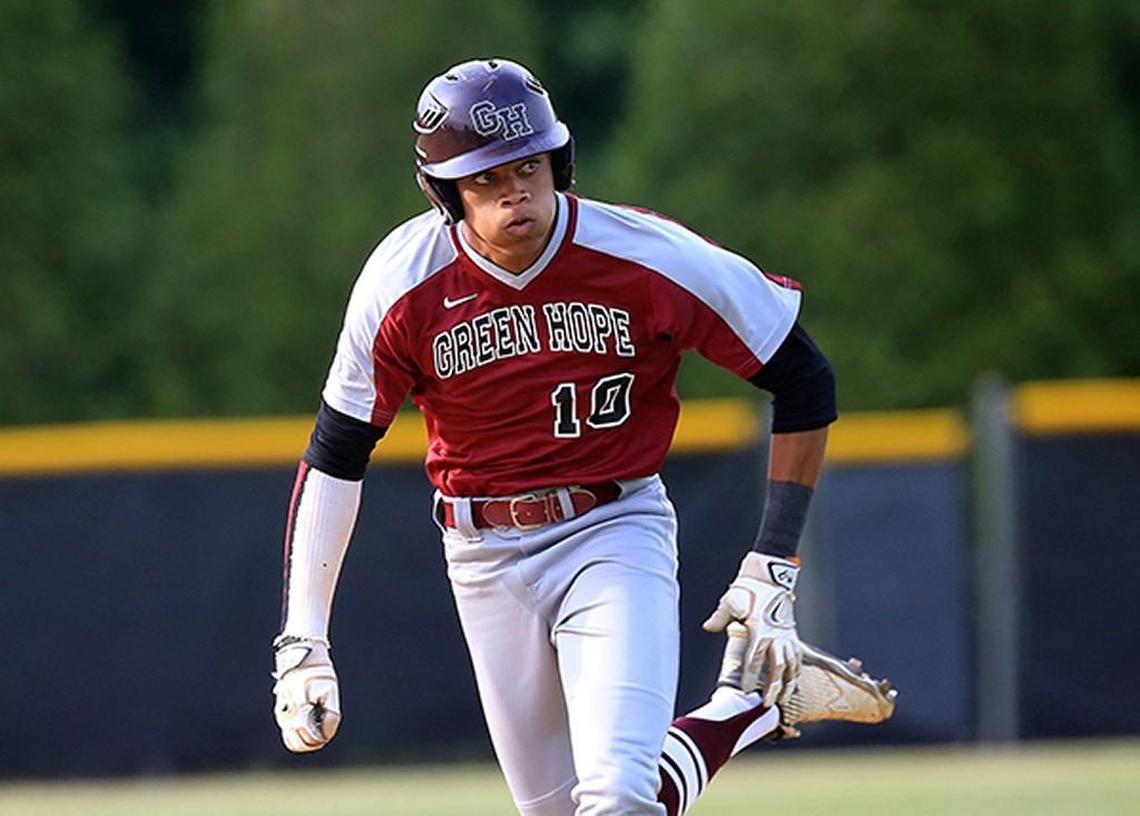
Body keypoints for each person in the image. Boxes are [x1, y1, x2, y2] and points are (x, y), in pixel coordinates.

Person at [272, 58, 895, 816]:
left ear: (558, 160)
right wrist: (303, 639)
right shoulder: (401, 283)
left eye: (528, 165)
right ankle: (748, 705)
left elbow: (804, 377)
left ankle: (742, 707)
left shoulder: (645, 255)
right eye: (485, 178)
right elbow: (337, 453)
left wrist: (775, 560)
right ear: (445, 195)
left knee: (617, 797)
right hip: (481, 556)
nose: (515, 191)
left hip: (612, 529)